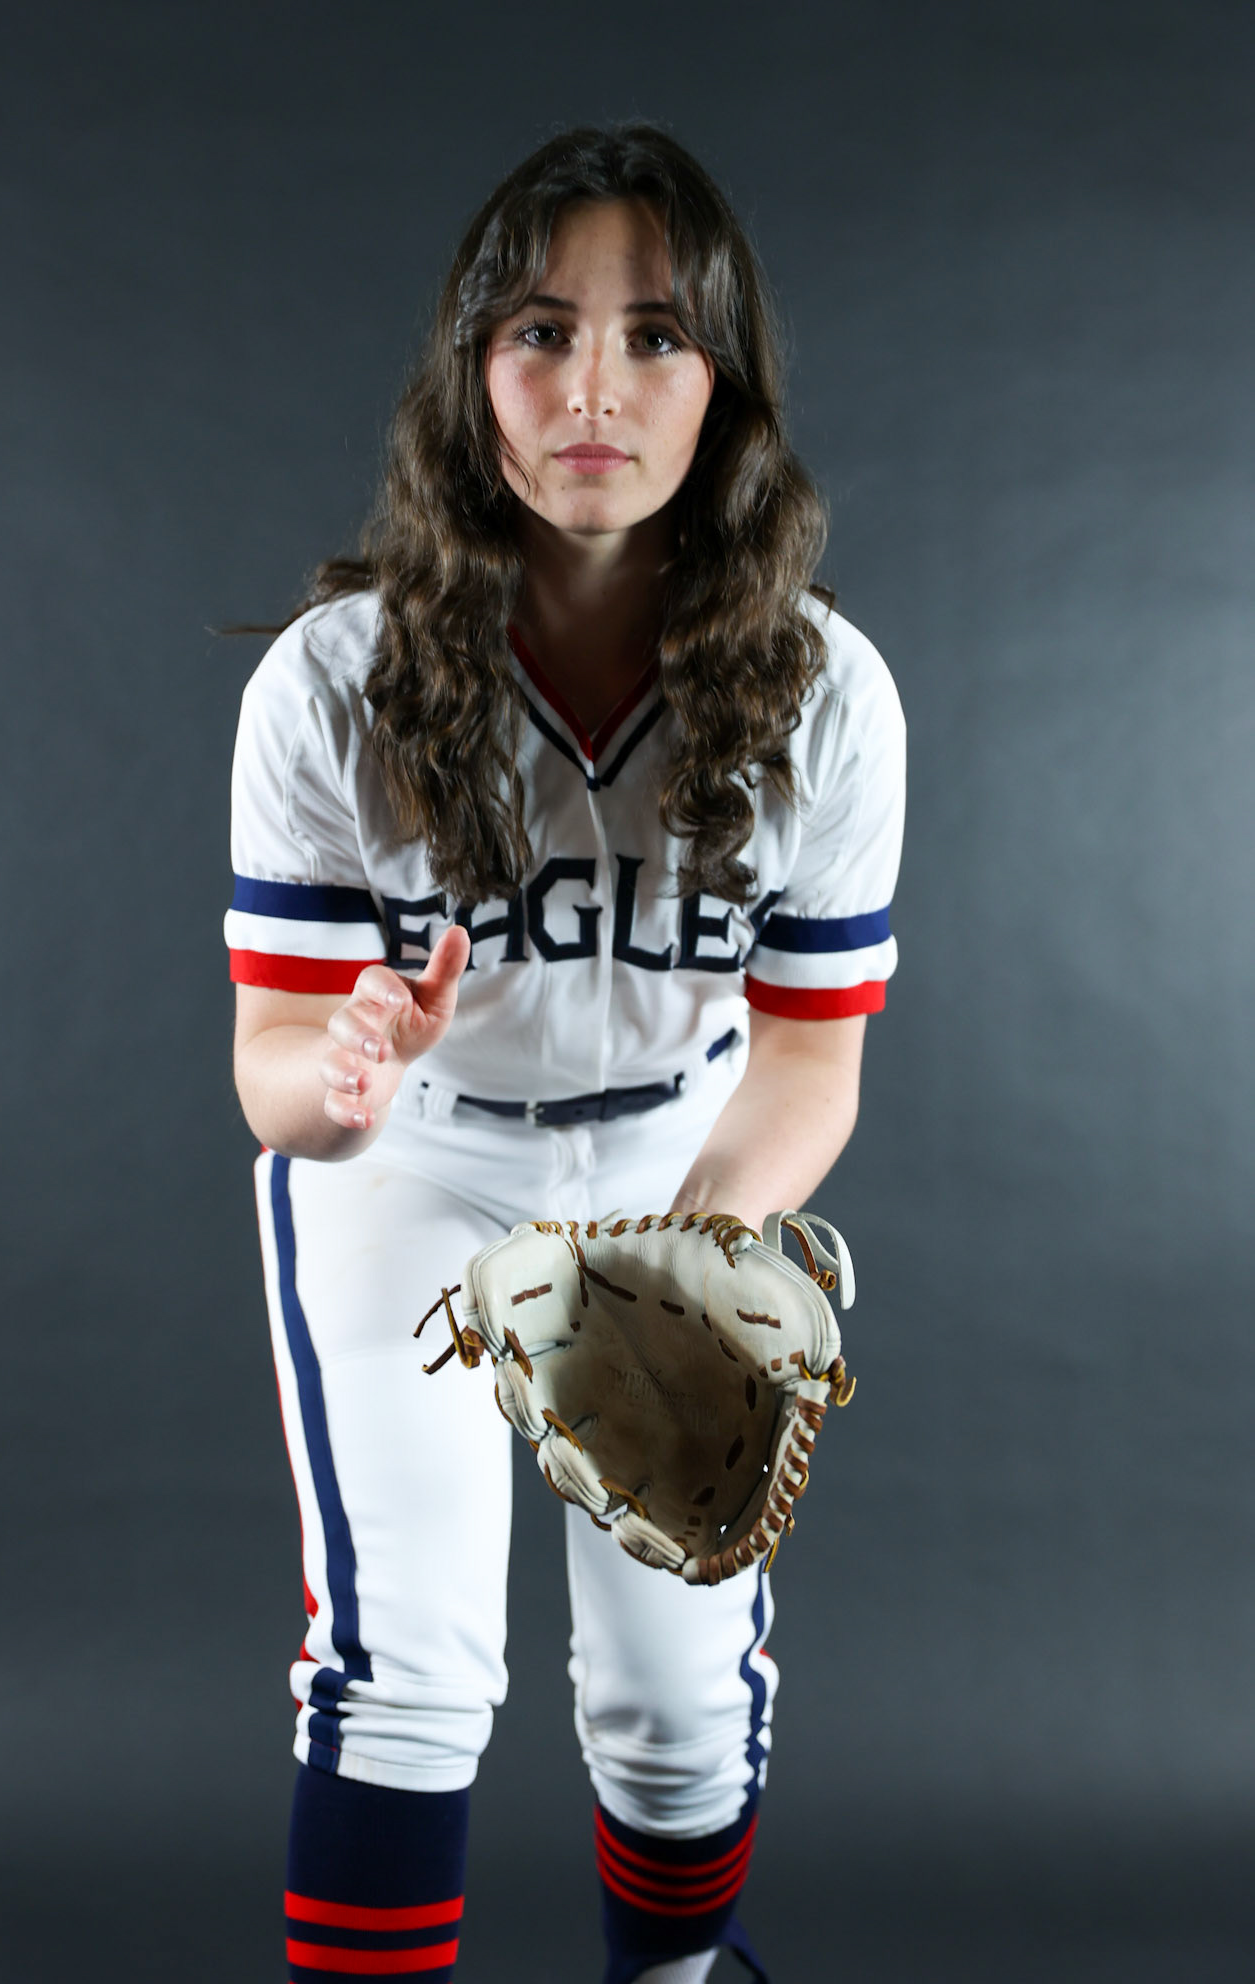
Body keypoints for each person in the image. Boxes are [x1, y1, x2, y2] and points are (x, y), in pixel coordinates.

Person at [226, 123, 905, 1984]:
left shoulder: (826, 691)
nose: (593, 384)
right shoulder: (334, 676)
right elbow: (271, 1068)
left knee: (679, 1707)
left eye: (655, 337)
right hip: (414, 1163)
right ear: (470, 374)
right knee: (404, 1671)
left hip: (676, 1164)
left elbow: (808, 1062)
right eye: (539, 329)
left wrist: (690, 1255)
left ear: (728, 388)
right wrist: (342, 1078)